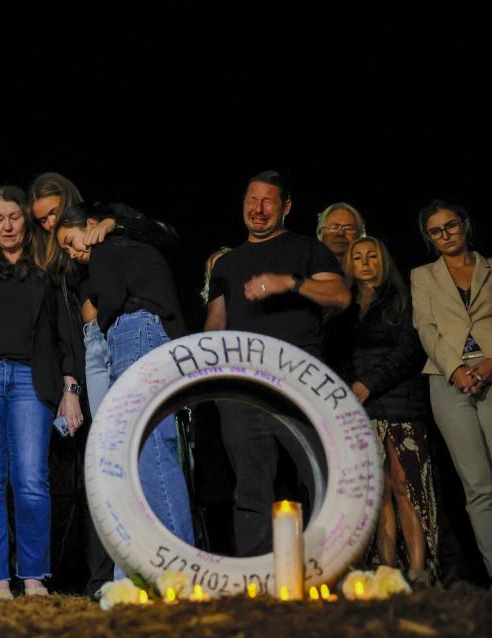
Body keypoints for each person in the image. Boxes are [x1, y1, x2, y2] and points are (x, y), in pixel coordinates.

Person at [205, 170, 350, 556]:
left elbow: (340, 295)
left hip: (300, 383)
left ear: (286, 207)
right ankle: (259, 582)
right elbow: (215, 327)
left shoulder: (307, 249)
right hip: (244, 391)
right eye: (252, 200)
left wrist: (289, 282)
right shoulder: (227, 264)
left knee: (320, 479)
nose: (259, 208)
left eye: (268, 201)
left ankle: (332, 569)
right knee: (250, 488)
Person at [0, 185, 82, 600]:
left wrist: (71, 386)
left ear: (24, 221)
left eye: (14, 217)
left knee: (31, 479)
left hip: (32, 379)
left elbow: (65, 331)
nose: (7, 225)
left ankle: (32, 577)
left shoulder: (46, 265)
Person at [54, 202, 194, 548]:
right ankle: (165, 552)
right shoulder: (128, 246)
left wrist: (114, 223)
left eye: (72, 240)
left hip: (136, 333)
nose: (72, 252)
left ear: (91, 224)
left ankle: (176, 557)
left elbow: (111, 297)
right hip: (155, 336)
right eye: (66, 249)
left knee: (150, 444)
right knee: (151, 445)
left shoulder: (108, 246)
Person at [329, 237, 436, 585]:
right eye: (357, 257)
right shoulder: (341, 309)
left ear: (383, 260)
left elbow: (408, 351)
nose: (364, 262)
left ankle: (419, 570)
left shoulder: (401, 300)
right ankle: (388, 572)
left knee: (407, 486)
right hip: (362, 409)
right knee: (379, 490)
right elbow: (338, 357)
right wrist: (351, 389)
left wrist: (370, 382)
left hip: (402, 404)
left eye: (372, 255)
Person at [411, 199, 492, 576]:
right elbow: (426, 328)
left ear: (465, 223)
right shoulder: (423, 275)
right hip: (449, 381)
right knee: (477, 486)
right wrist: (456, 368)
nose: (445, 235)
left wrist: (489, 364)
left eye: (451, 226)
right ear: (428, 237)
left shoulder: (490, 267)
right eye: (436, 231)